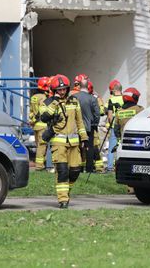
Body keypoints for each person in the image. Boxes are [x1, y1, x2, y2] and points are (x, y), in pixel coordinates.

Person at [40, 74, 88, 209]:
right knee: (62, 171)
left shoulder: (74, 101)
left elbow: (79, 121)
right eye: (58, 90)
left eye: (64, 89)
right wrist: (55, 102)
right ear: (54, 90)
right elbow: (44, 117)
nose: (61, 92)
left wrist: (84, 138)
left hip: (73, 142)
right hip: (58, 142)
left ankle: (66, 191)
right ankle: (63, 200)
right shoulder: (48, 102)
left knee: (75, 170)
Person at [29, 76, 49, 171]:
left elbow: (31, 111)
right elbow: (42, 111)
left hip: (36, 125)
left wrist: (32, 121)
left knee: (38, 145)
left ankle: (40, 164)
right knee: (42, 146)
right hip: (43, 125)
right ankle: (40, 166)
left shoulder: (33, 97)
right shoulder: (44, 98)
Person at [105, 79, 124, 172]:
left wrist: (110, 123)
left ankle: (109, 167)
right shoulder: (125, 99)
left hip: (114, 126)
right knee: (122, 147)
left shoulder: (111, 100)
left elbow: (109, 115)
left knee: (112, 148)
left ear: (114, 90)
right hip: (123, 127)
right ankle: (121, 167)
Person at [87, 80, 105, 173]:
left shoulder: (94, 97)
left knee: (94, 147)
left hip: (89, 126)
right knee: (93, 147)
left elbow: (101, 110)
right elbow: (101, 110)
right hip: (90, 125)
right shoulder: (95, 97)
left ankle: (97, 167)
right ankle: (95, 167)